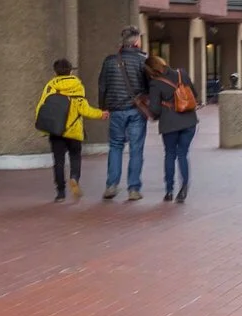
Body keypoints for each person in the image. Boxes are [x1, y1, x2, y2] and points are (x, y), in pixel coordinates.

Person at [33, 58, 104, 201]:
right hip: (74, 130)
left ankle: (60, 192)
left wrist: (45, 127)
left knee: (58, 161)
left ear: (55, 72)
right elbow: (85, 109)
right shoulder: (77, 85)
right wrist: (101, 114)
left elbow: (41, 108)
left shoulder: (51, 86)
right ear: (71, 71)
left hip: (56, 130)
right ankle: (74, 178)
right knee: (75, 157)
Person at [95, 27, 152, 201]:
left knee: (115, 146)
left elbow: (102, 86)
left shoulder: (109, 61)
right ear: (136, 42)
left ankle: (111, 185)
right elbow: (150, 86)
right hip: (136, 110)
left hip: (116, 110)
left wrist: (103, 107)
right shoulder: (143, 61)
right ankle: (133, 188)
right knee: (136, 149)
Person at [146, 53, 200, 202]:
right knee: (183, 154)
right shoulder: (181, 73)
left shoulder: (155, 84)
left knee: (170, 155)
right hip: (189, 121)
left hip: (169, 124)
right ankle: (184, 188)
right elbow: (194, 94)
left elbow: (155, 110)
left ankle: (169, 191)